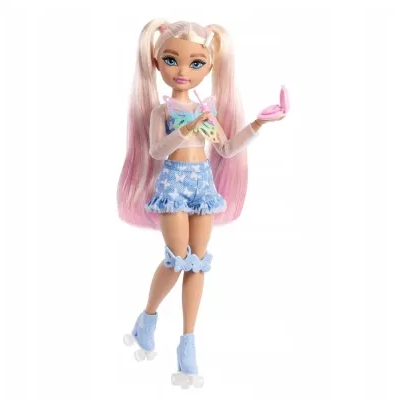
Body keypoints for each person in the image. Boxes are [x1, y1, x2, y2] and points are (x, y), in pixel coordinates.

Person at [117, 19, 286, 389]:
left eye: (196, 63)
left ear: (209, 67)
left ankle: (187, 343)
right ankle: (148, 318)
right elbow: (156, 151)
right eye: (171, 60)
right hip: (174, 183)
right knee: (177, 258)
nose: (182, 71)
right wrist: (188, 129)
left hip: (203, 185)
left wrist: (258, 124)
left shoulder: (206, 110)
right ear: (156, 63)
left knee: (198, 261)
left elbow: (225, 148)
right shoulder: (162, 111)